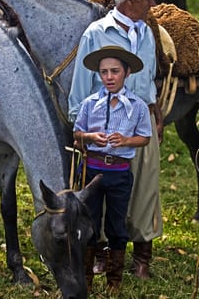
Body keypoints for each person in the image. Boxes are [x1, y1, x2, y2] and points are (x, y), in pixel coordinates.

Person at [68, 0, 169, 279]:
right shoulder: (96, 34)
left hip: (142, 124)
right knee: (100, 189)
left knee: (145, 190)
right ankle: (100, 255)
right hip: (106, 128)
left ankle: (141, 258)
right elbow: (80, 91)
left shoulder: (147, 32)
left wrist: (155, 114)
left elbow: (148, 80)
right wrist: (82, 134)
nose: (153, 2)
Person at [73, 45, 152, 292]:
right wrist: (89, 137)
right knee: (89, 223)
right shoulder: (89, 104)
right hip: (92, 172)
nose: (109, 77)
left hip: (119, 173)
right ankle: (86, 276)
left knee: (117, 224)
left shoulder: (137, 106)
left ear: (127, 73)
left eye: (114, 71)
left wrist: (127, 141)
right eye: (104, 72)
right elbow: (77, 135)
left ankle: (114, 281)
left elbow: (145, 137)